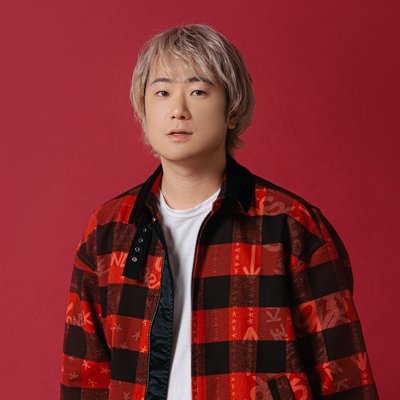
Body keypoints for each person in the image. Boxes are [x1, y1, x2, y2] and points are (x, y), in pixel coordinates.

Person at [60, 24, 379, 400]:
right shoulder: (109, 230)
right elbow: (85, 379)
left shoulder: (291, 226)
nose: (178, 110)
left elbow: (344, 377)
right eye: (162, 92)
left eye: (198, 91)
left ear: (232, 110)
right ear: (143, 110)